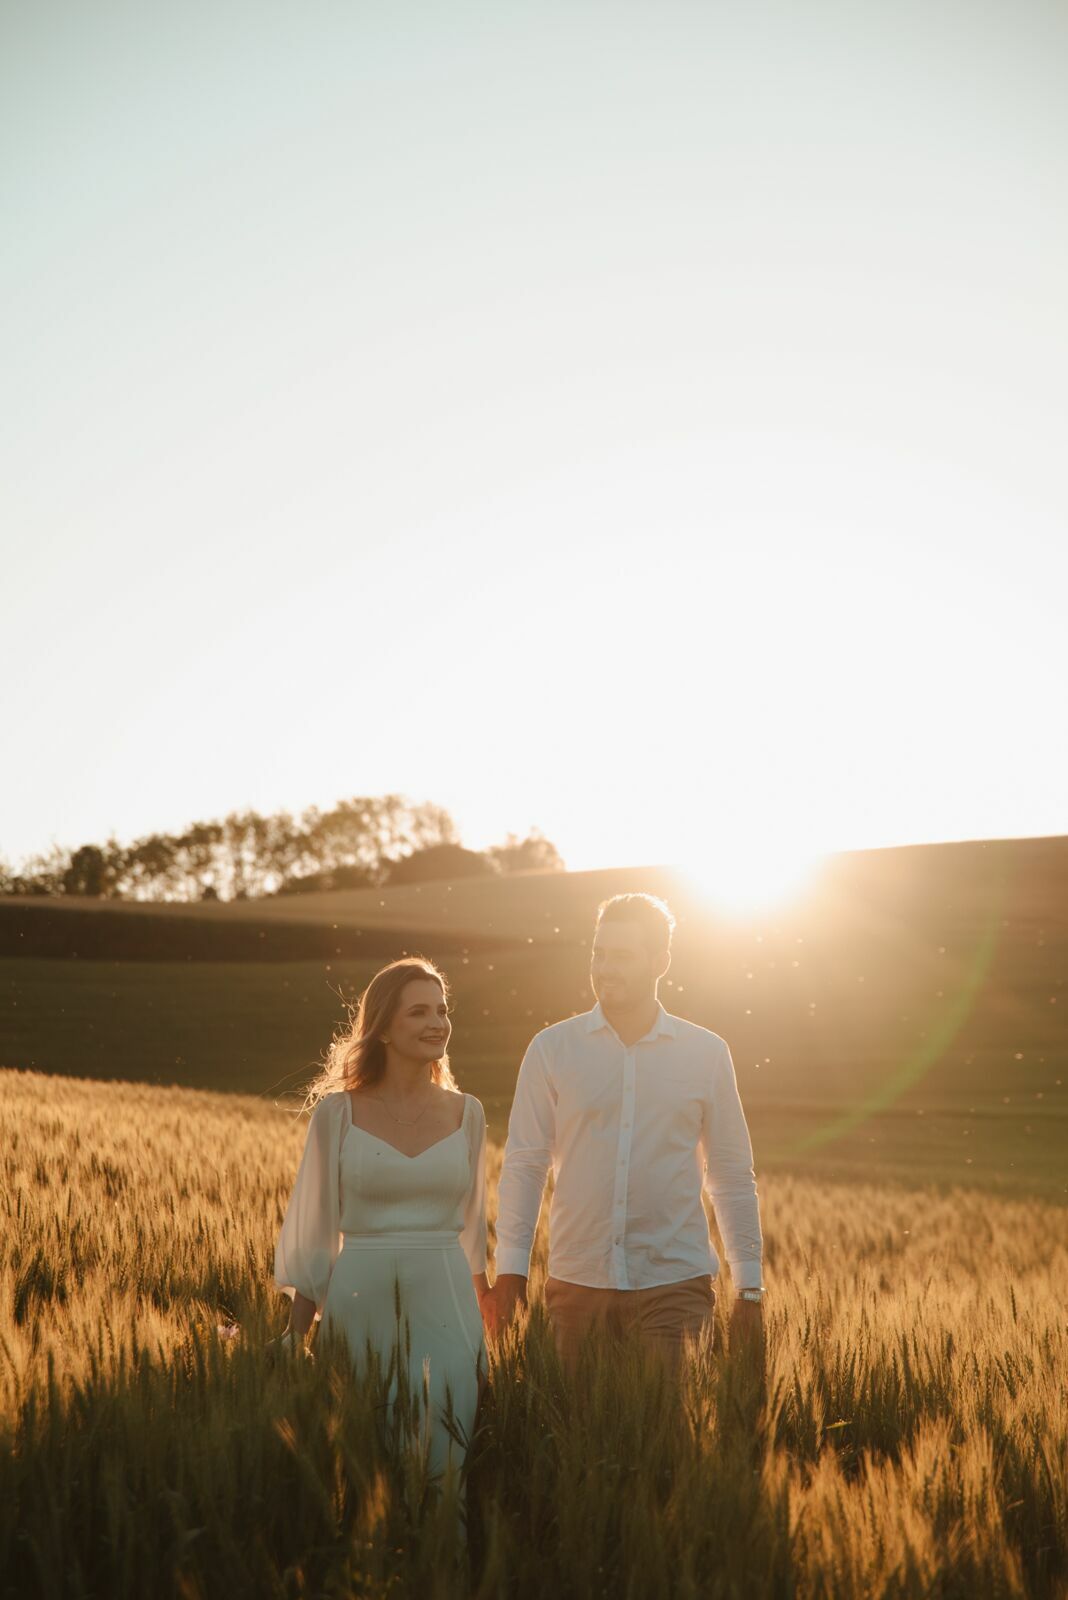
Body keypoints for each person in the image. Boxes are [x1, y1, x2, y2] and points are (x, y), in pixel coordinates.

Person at [483, 893, 764, 1371]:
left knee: (667, 1435)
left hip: (675, 1285)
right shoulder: (552, 1049)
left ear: (661, 961)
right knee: (577, 1437)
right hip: (577, 1286)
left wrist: (749, 1288)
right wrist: (510, 1271)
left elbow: (731, 1175)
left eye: (623, 956)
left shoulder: (706, 1053)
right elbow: (527, 1163)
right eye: (599, 953)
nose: (605, 968)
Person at [272, 957, 489, 1481]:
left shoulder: (468, 1113)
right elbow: (316, 1232)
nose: (437, 1022)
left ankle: (442, 1558)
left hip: (448, 1307)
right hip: (358, 1306)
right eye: (418, 1012)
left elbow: (476, 1233)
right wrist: (292, 1336)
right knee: (363, 1466)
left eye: (441, 1010)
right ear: (384, 1029)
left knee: (442, 1465)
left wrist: (489, 1334)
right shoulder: (337, 1114)